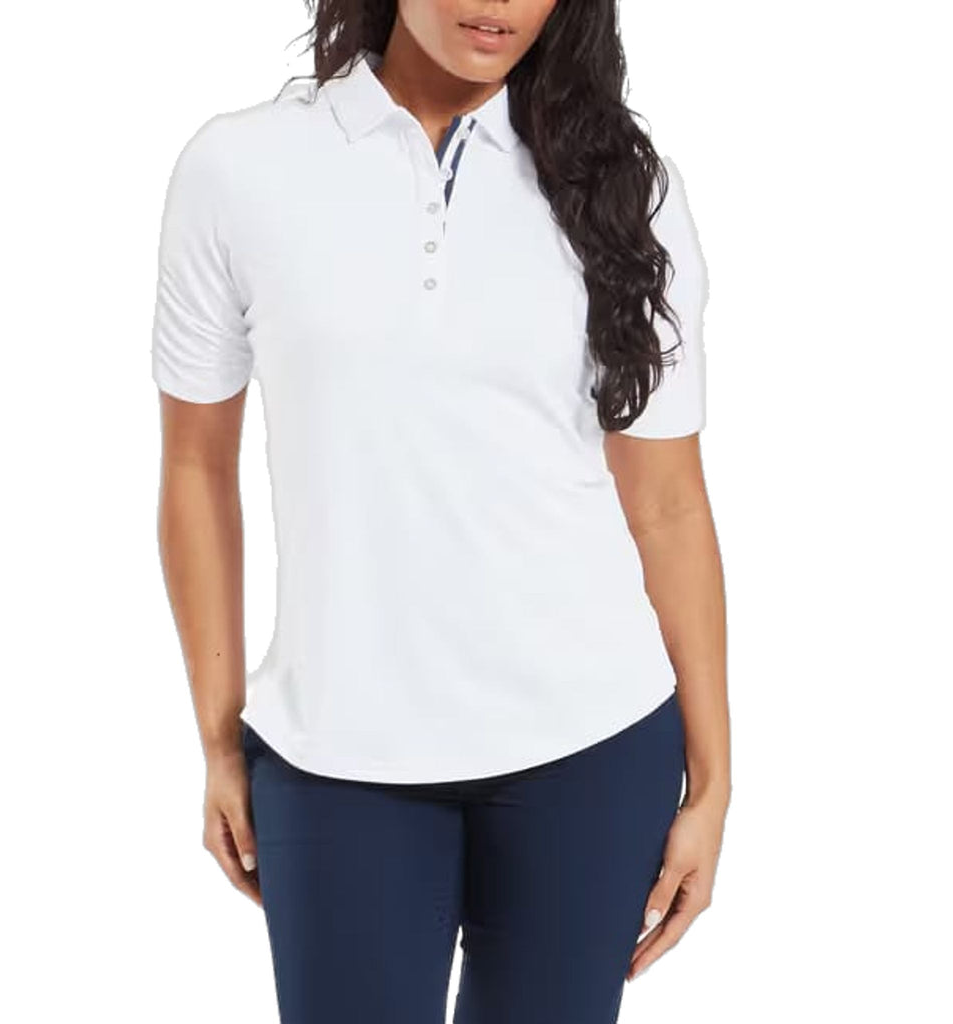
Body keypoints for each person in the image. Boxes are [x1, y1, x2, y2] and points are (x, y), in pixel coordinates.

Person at [151, 2, 730, 1021]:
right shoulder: (238, 170)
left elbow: (669, 502)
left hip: (591, 748)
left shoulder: (625, 185)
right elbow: (197, 466)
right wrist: (216, 737)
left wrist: (714, 778)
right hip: (335, 756)